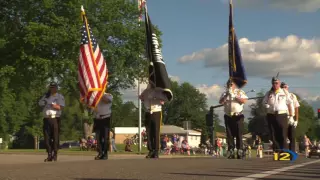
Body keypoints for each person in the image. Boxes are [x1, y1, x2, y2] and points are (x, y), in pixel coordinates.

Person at [263, 77, 294, 152]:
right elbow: (264, 102)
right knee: (273, 134)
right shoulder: (269, 93)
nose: (275, 85)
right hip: (271, 115)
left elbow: (290, 103)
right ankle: (277, 150)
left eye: (276, 83)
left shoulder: (284, 92)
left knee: (283, 134)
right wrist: (266, 105)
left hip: (282, 115)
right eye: (273, 83)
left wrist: (291, 116)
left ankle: (284, 151)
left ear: (279, 84)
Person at [219, 79, 248, 159]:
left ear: (235, 85)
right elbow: (221, 102)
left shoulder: (240, 92)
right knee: (229, 134)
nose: (230, 85)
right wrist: (227, 95)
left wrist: (235, 96)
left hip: (238, 115)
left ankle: (240, 150)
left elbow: (244, 101)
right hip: (228, 116)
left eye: (231, 84)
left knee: (239, 133)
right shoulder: (225, 93)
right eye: (229, 83)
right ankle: (231, 149)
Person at [38, 82, 65, 162]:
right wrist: (44, 102)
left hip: (55, 118)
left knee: (55, 138)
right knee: (47, 138)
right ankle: (49, 154)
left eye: (54, 87)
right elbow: (40, 103)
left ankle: (55, 153)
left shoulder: (59, 97)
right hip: (46, 118)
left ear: (56, 88)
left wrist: (53, 105)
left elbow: (61, 107)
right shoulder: (46, 96)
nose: (52, 89)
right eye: (51, 87)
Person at [139, 85, 168, 159]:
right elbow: (141, 97)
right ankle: (150, 150)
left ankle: (156, 151)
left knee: (156, 132)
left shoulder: (159, 90)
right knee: (148, 132)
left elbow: (166, 98)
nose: (150, 83)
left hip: (156, 111)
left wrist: (157, 97)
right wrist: (142, 97)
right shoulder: (146, 91)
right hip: (148, 112)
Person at [280, 82, 300, 152]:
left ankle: (292, 152)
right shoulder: (279, 96)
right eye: (283, 87)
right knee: (283, 135)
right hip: (282, 117)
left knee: (292, 136)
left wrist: (296, 120)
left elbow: (296, 108)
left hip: (291, 117)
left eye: (286, 87)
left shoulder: (292, 96)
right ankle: (284, 151)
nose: (285, 89)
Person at [93, 92, 113, 160]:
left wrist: (100, 95)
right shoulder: (94, 95)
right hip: (97, 118)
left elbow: (107, 100)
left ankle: (105, 153)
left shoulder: (108, 95)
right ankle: (100, 152)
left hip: (105, 118)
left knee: (105, 137)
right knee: (98, 138)